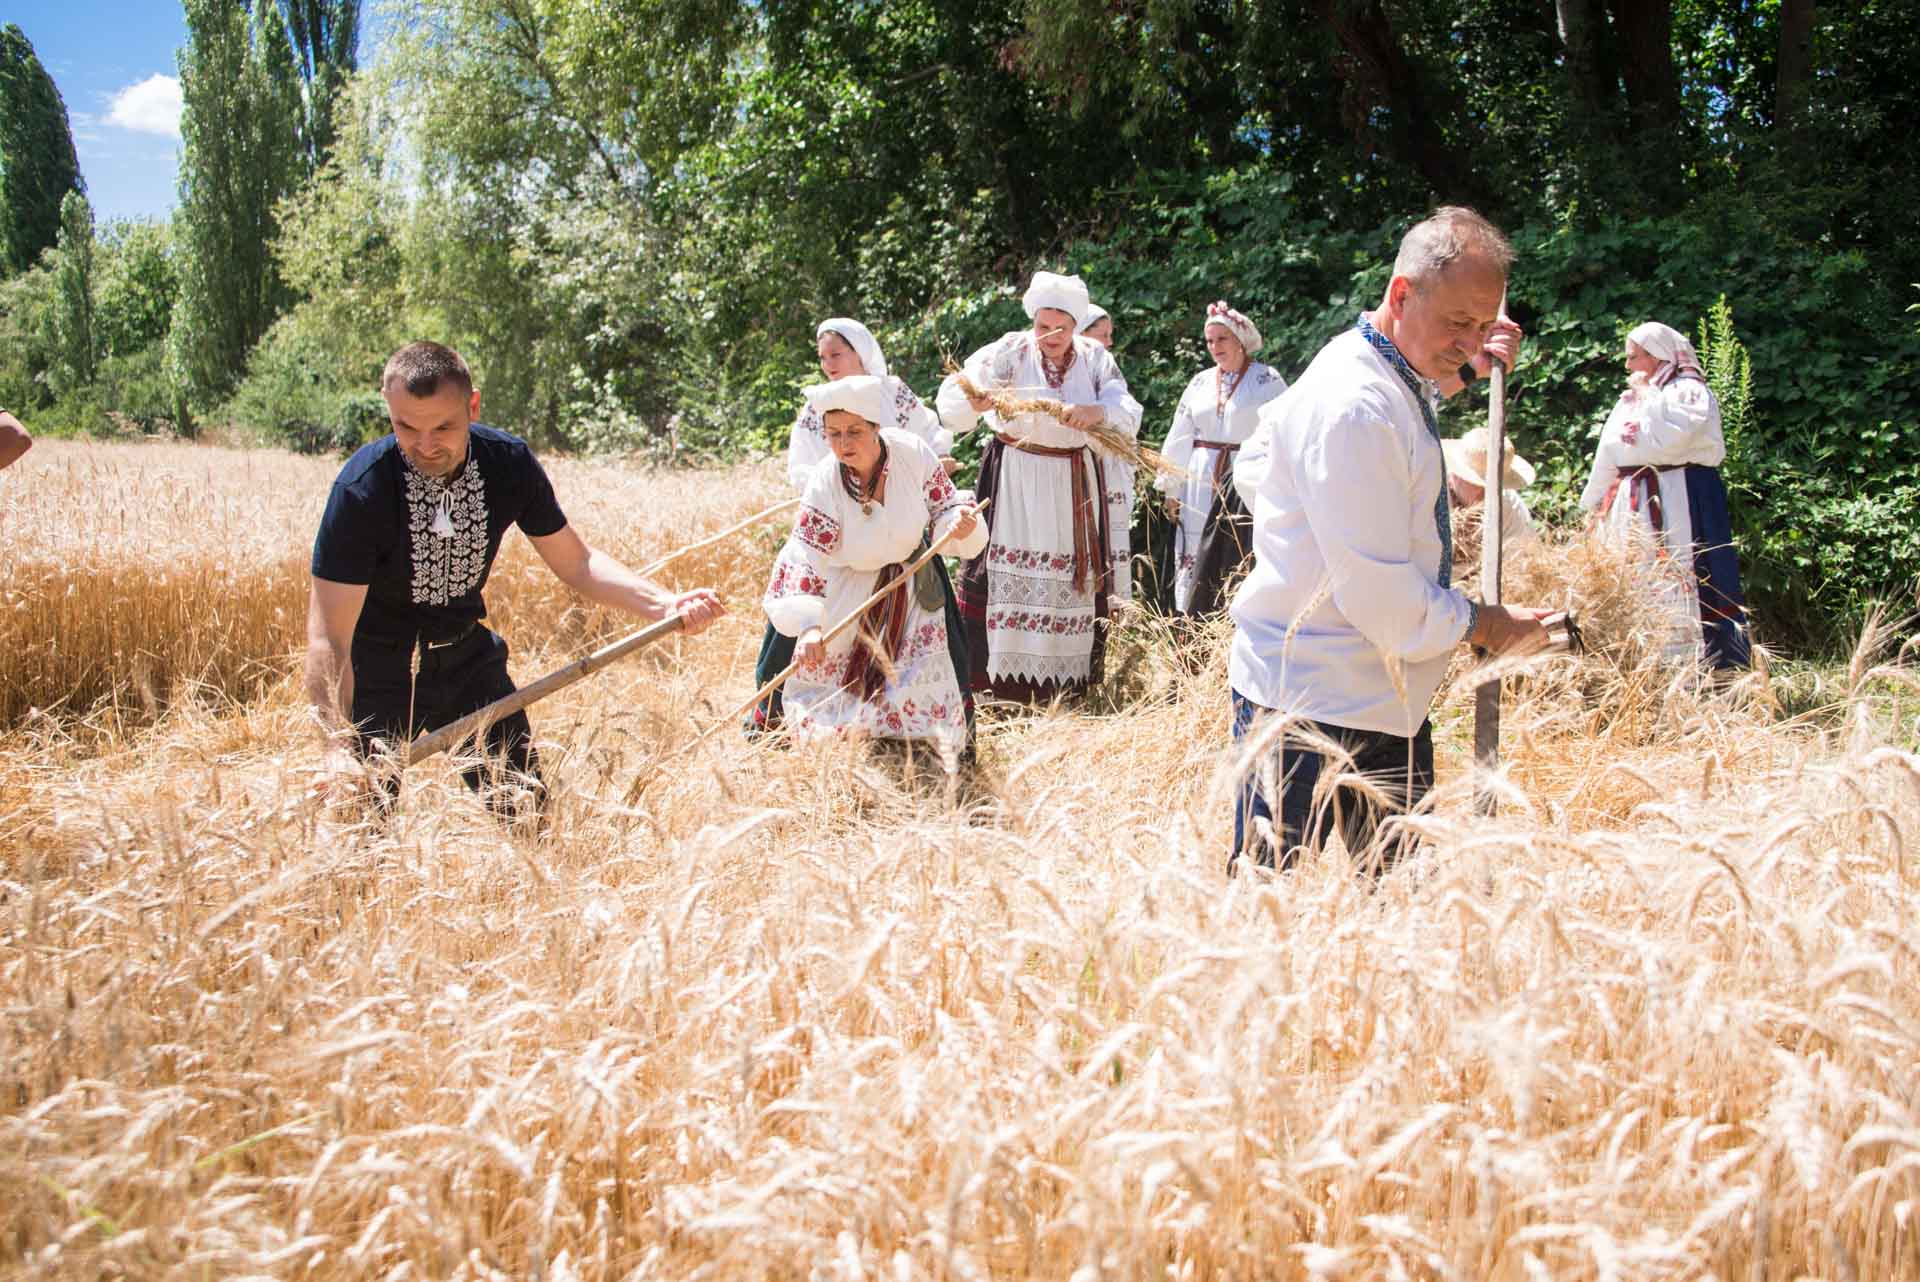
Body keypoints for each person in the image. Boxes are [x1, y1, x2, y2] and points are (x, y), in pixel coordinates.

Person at [1228, 207, 1554, 875]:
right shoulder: (1354, 404)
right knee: (1265, 914)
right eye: (1457, 323)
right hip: (1306, 697)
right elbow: (1379, 594)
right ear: (1402, 294)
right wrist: (1487, 624)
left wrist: (1472, 368)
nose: (1469, 340)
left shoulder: (1382, 369)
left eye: (1482, 324)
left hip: (1383, 692)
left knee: (1399, 911)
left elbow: (1417, 407)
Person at [306, 340, 724, 819]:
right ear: (388, 408)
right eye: (406, 427)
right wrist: (336, 747)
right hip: (376, 671)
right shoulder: (362, 490)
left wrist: (665, 604)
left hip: (465, 662)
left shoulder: (507, 463)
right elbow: (328, 639)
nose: (425, 445)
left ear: (474, 405)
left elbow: (577, 563)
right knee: (358, 837)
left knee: (526, 815)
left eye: (444, 426)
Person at [938, 272, 1142, 702]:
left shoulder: (1094, 358)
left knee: (1070, 578)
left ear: (1075, 325)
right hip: (1015, 477)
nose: (1051, 335)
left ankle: (1064, 689)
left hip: (1071, 482)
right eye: (1042, 325)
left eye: (1061, 327)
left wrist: (1096, 412)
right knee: (996, 568)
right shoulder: (1010, 350)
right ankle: (996, 687)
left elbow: (1126, 406)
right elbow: (956, 397)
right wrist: (973, 402)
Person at [750, 318, 953, 736]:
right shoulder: (821, 407)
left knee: (943, 632)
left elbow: (929, 443)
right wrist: (835, 492)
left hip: (903, 535)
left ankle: (936, 731)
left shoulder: (893, 394)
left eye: (836, 354)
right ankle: (770, 718)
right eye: (822, 357)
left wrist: (927, 481)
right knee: (799, 627)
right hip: (837, 531)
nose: (828, 364)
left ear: (860, 351)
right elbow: (804, 465)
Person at [763, 375, 985, 748]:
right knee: (830, 690)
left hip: (910, 583)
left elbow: (946, 505)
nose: (844, 443)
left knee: (924, 675)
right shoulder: (825, 481)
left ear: (876, 428)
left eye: (854, 431)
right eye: (833, 434)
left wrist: (957, 523)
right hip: (846, 589)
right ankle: (850, 748)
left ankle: (923, 752)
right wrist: (809, 627)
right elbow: (807, 556)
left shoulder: (911, 453)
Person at [1579, 322, 1751, 670]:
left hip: (1681, 497)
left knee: (1692, 579)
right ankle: (1650, 669)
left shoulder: (1687, 392)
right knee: (1639, 584)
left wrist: (1649, 397)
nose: (1628, 366)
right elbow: (1608, 453)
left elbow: (1671, 441)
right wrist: (1593, 505)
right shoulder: (1632, 398)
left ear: (1657, 356)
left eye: (1634, 357)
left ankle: (1709, 670)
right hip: (1634, 504)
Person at [1153, 301, 1289, 616]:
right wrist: (1172, 487)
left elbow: (1284, 432)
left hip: (1244, 480)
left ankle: (1234, 617)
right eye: (1210, 341)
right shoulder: (1200, 382)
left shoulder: (1267, 380)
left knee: (1236, 546)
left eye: (1222, 339)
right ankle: (1193, 619)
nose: (1215, 347)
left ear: (1240, 340)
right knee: (1194, 546)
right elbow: (1180, 433)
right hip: (1199, 482)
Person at [1078, 301, 1142, 603]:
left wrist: (1101, 416)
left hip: (1103, 467)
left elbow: (1127, 411)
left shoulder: (1105, 366)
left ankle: (1110, 616)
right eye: (1103, 334)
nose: (1109, 342)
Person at [1443, 425, 1540, 583]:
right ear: (1456, 475)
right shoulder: (1428, 496)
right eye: (1478, 484)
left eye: (1493, 486)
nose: (1485, 493)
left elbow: (1522, 560)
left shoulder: (1508, 505)